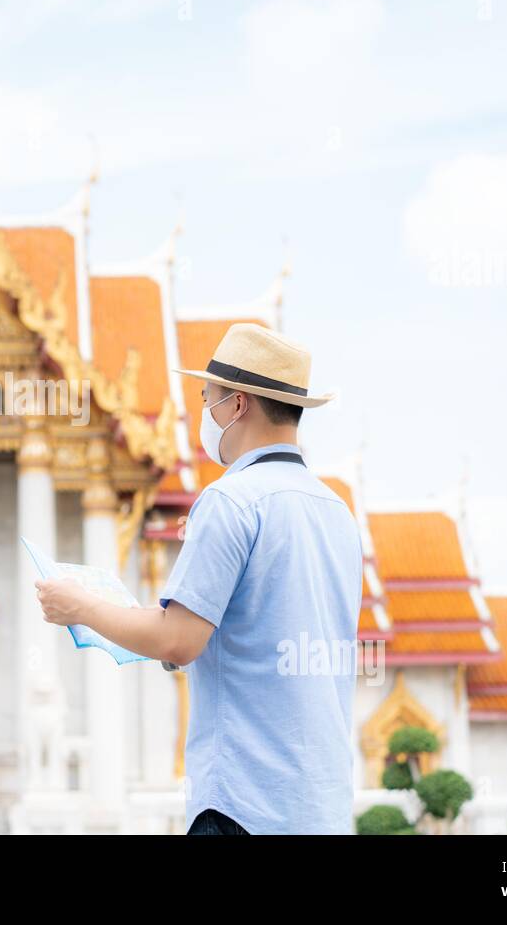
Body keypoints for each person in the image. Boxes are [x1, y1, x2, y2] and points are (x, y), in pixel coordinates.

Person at [35, 322, 363, 834]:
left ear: (237, 405)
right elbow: (267, 635)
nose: (203, 412)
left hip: (243, 805)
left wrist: (78, 606)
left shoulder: (230, 501)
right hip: (321, 807)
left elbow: (178, 640)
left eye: (208, 397)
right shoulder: (337, 512)